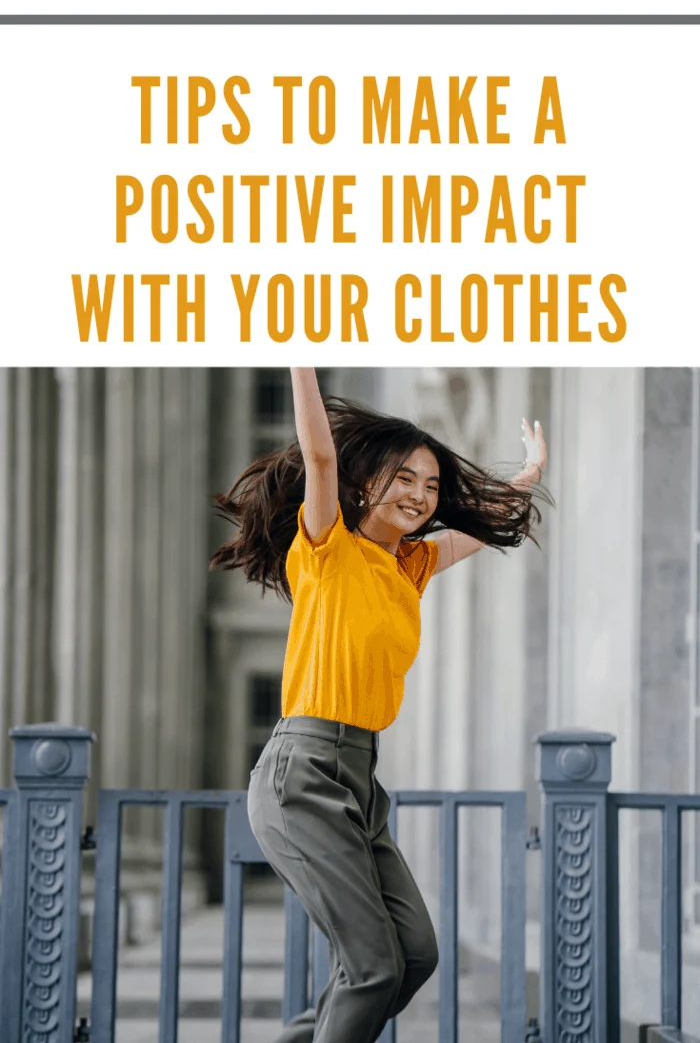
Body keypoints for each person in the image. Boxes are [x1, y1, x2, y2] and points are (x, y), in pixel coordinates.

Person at [209, 367, 550, 1043]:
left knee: (412, 956)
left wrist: (529, 474)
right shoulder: (328, 547)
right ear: (368, 484)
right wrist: (300, 358)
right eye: (406, 480)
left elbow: (482, 526)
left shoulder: (409, 568)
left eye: (431, 486)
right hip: (301, 773)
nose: (421, 497)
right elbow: (320, 453)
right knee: (370, 966)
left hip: (359, 778)